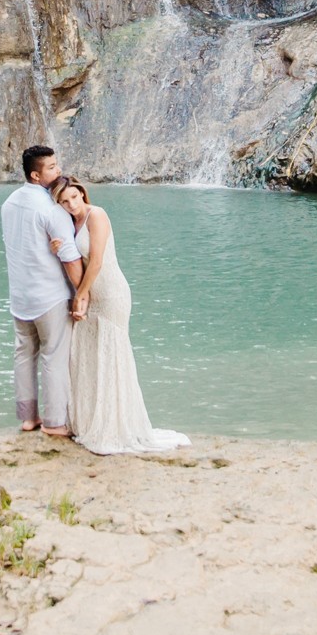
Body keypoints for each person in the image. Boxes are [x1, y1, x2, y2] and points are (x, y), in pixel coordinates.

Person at [53, 175, 188, 455]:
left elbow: (98, 260)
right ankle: (91, 421)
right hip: (91, 294)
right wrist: (59, 251)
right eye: (64, 202)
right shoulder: (70, 222)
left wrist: (82, 294)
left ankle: (115, 427)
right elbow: (74, 259)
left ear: (81, 192)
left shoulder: (96, 215)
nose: (71, 204)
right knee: (88, 355)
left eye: (74, 197)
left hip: (110, 294)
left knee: (112, 356)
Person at [1, 143, 83, 436]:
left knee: (24, 354)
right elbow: (71, 258)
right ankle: (55, 422)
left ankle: (27, 418)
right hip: (49, 296)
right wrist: (82, 293)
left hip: (20, 296)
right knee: (54, 357)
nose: (58, 170)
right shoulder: (51, 209)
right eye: (51, 167)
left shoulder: (8, 203)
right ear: (36, 176)